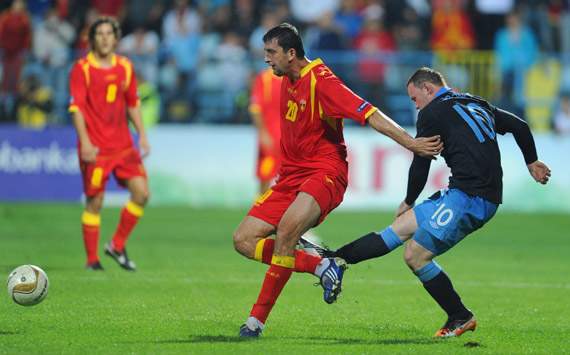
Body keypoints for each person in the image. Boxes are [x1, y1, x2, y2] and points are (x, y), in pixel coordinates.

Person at [233, 23, 443, 338]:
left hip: (324, 172)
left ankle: (255, 323)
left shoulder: (323, 82)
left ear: (291, 54)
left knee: (287, 232)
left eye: (271, 53)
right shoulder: (286, 79)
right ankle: (320, 265)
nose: (266, 59)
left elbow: (370, 114)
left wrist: (411, 143)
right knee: (243, 240)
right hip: (289, 177)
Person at [322, 67, 551, 338]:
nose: (415, 105)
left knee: (415, 255)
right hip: (465, 193)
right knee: (399, 229)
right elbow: (519, 125)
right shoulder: (474, 102)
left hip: (471, 198)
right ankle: (337, 259)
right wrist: (532, 161)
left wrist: (408, 199)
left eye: (414, 98)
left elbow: (421, 161)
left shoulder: (431, 112)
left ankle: (460, 316)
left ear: (427, 89)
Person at [69, 17, 150, 271]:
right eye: (100, 34)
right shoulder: (82, 68)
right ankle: (92, 260)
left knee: (142, 193)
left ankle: (116, 244)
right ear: (92, 38)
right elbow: (77, 108)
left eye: (109, 33)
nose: (105, 38)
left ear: (116, 38)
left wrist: (143, 135)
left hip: (124, 145)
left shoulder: (125, 67)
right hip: (96, 148)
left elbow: (132, 103)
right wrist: (84, 142)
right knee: (95, 203)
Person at [249, 68, 282, 194]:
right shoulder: (264, 78)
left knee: (294, 179)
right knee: (265, 176)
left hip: (291, 140)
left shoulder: (295, 78)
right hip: (271, 140)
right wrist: (263, 133)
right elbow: (255, 108)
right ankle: (260, 209)